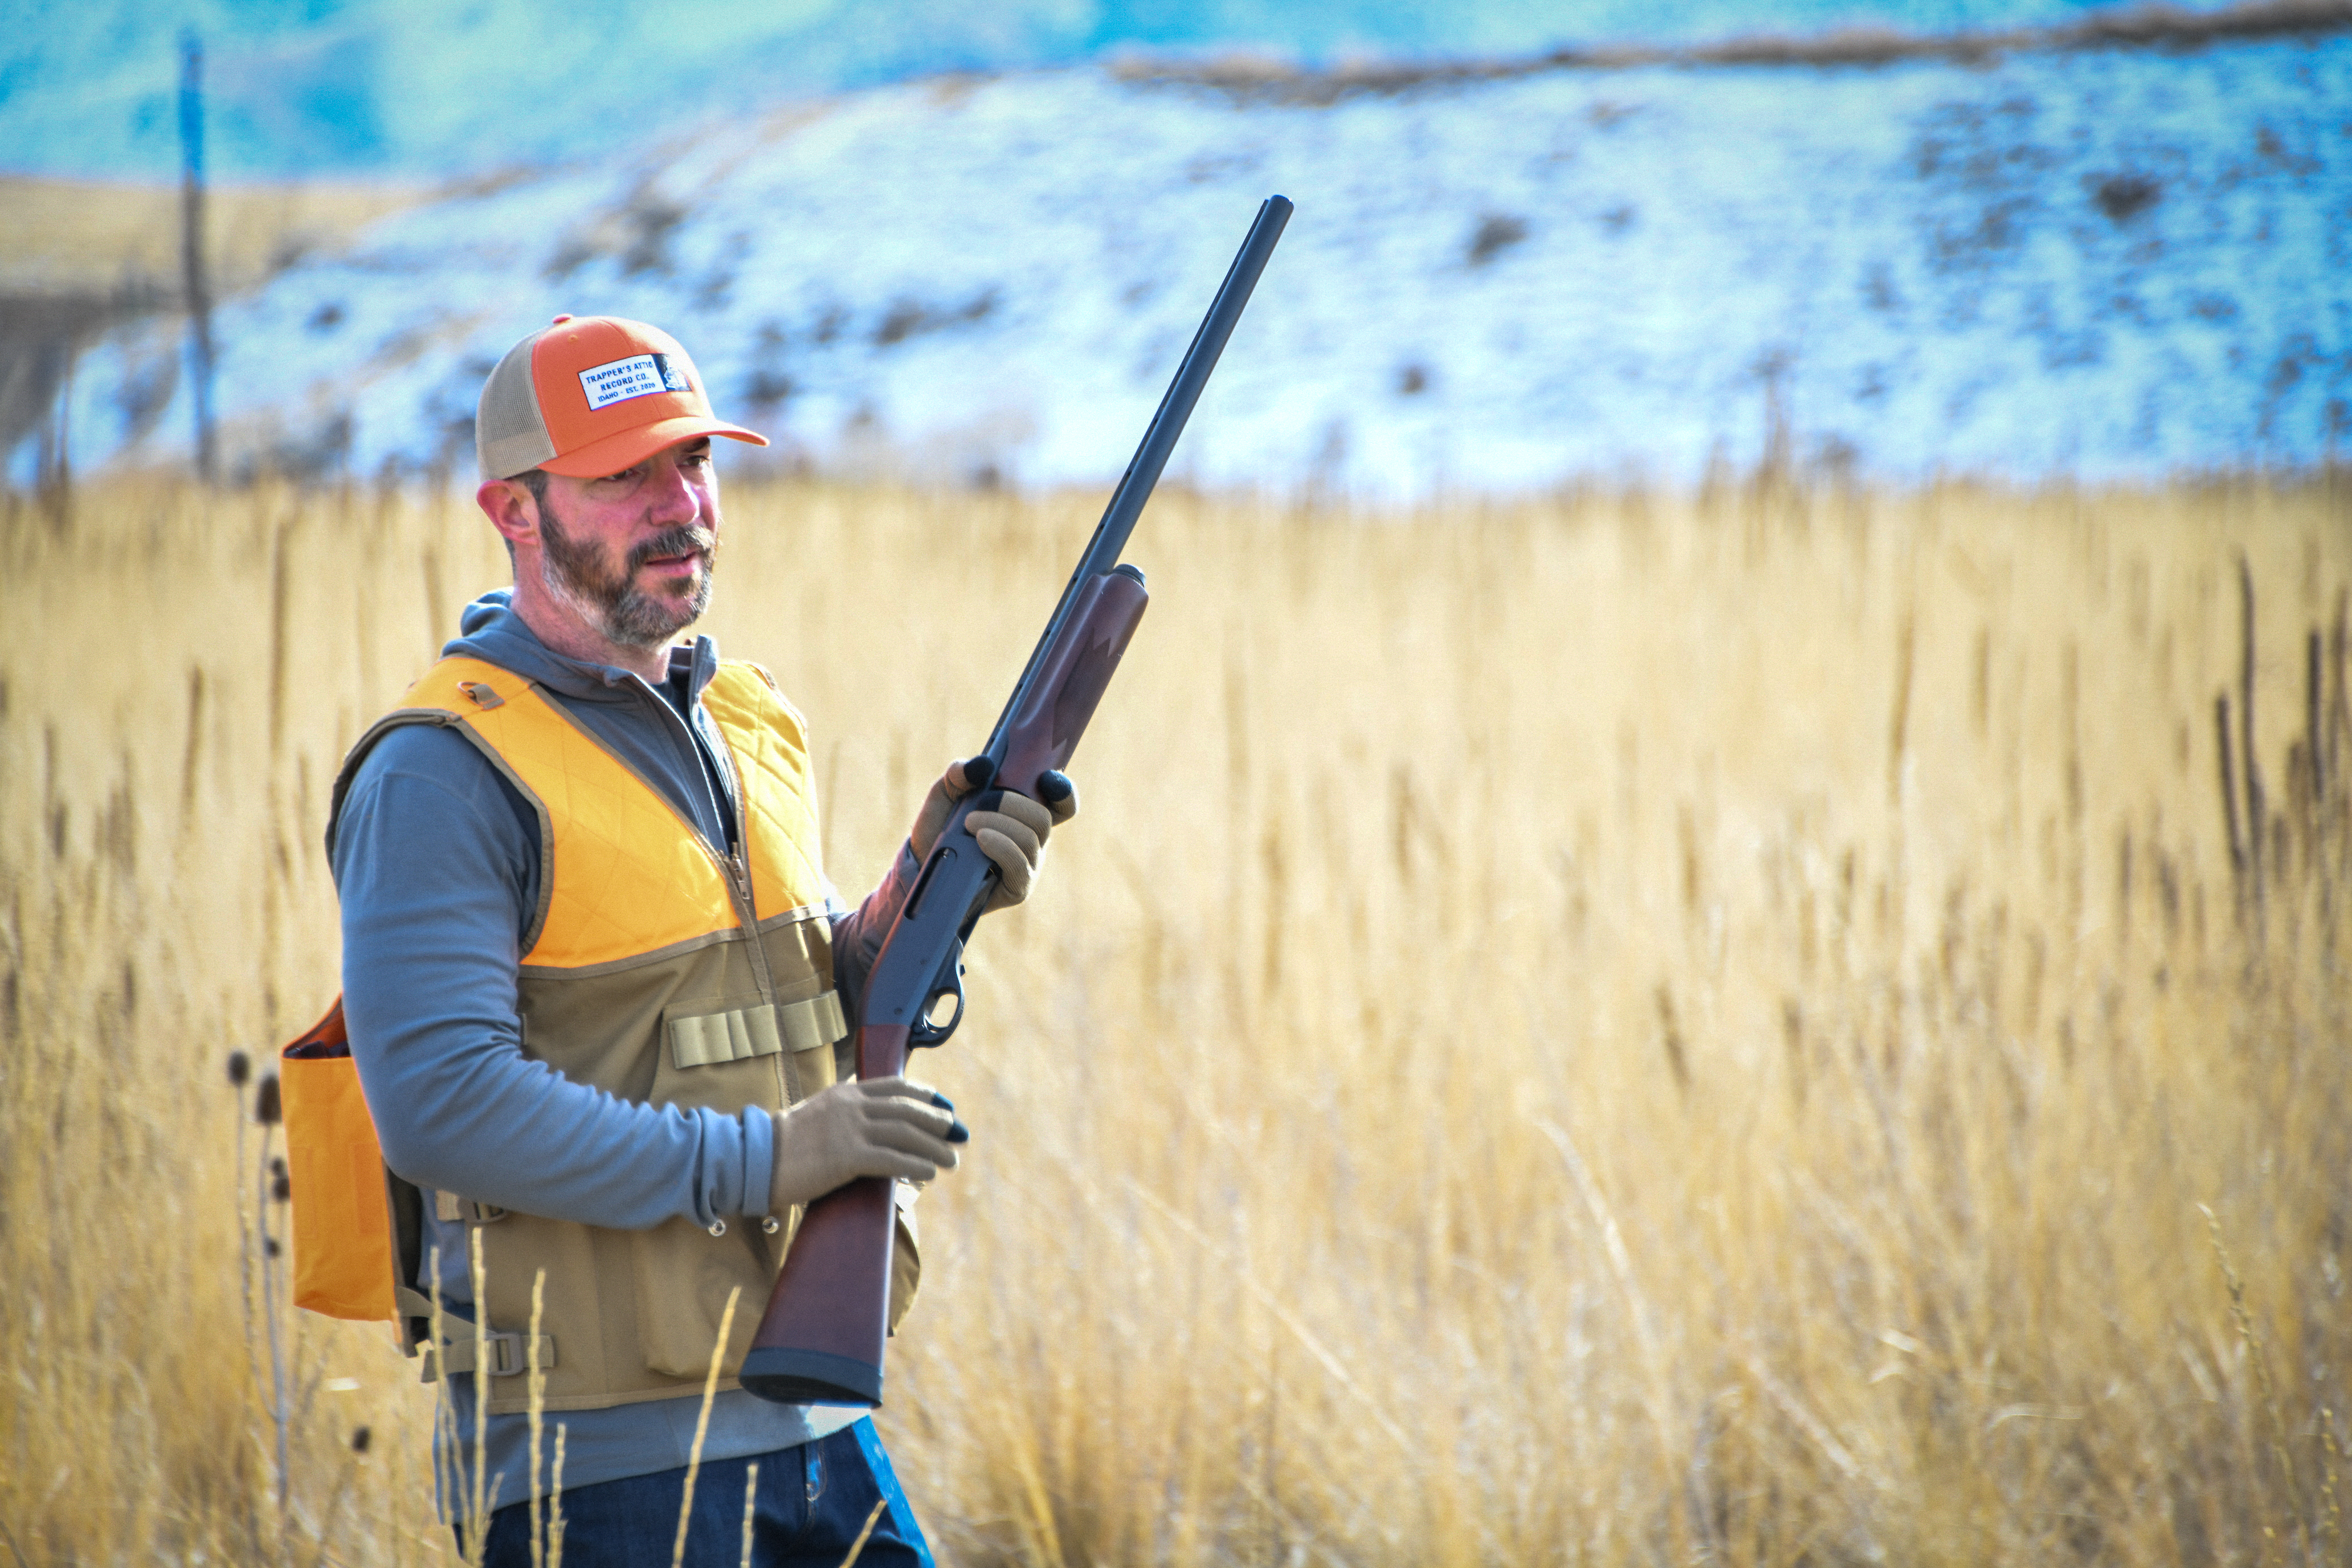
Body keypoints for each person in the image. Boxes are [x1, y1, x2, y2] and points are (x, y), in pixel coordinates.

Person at [328, 315, 1073, 1566]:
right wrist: (776, 1156)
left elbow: (778, 996)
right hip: (601, 1468)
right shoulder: (442, 771)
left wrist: (921, 896)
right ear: (512, 510)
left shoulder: (746, 714)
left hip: (817, 1412)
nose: (680, 504)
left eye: (694, 461)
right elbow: (443, 1107)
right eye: (624, 474)